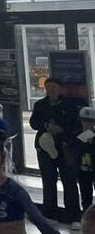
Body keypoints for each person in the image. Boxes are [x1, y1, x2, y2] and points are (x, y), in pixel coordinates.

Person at [32, 76, 82, 223]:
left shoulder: (70, 106)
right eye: (48, 88)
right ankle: (49, 214)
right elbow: (34, 123)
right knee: (48, 181)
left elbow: (77, 127)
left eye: (54, 87)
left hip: (64, 147)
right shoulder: (40, 105)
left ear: (60, 89)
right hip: (45, 147)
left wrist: (62, 129)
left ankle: (73, 216)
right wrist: (46, 126)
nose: (51, 90)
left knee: (69, 181)